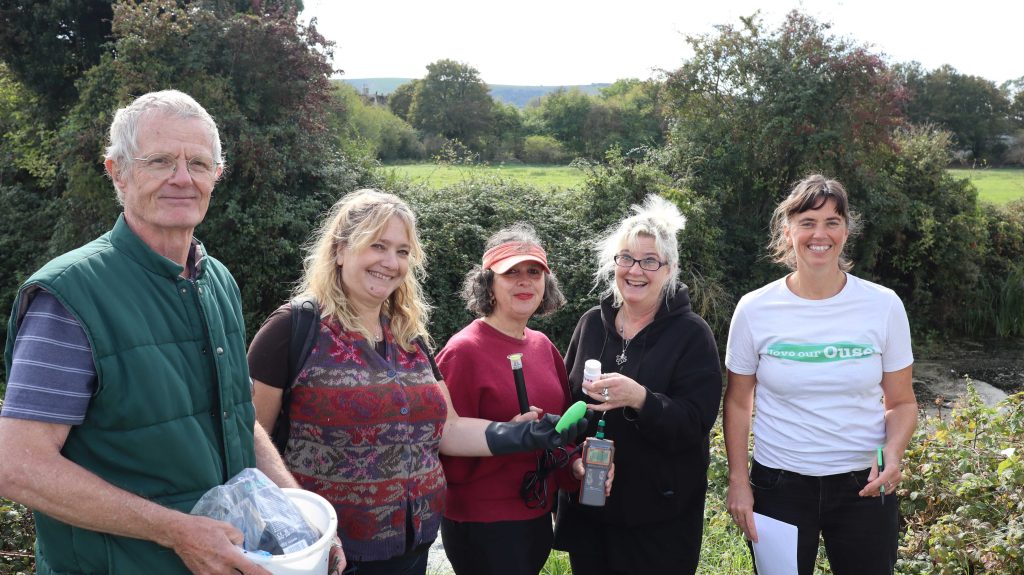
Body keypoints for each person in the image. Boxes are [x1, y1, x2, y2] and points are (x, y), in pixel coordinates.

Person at [0, 90, 324, 575]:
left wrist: (294, 509)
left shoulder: (216, 280)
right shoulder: (70, 297)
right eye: (160, 161)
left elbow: (237, 415)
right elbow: (18, 466)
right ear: (118, 172)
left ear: (217, 175)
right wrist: (175, 531)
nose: (182, 178)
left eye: (198, 163)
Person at [247, 190, 585, 575]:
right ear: (340, 250)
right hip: (330, 551)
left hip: (412, 546)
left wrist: (520, 434)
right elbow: (248, 438)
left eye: (403, 251)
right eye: (378, 245)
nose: (390, 263)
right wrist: (300, 529)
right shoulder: (293, 328)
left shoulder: (409, 336)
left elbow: (449, 427)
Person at [723, 174, 917, 575]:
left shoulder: (883, 306)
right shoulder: (754, 309)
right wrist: (739, 481)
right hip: (779, 486)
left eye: (832, 222)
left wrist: (893, 453)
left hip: (864, 484)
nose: (820, 234)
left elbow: (901, 403)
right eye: (808, 222)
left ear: (846, 230)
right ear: (788, 229)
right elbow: (738, 402)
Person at [552, 195, 723, 574]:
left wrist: (642, 399)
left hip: (659, 520)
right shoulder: (590, 325)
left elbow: (695, 423)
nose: (635, 270)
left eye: (649, 261)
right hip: (592, 509)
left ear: (669, 269)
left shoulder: (692, 335)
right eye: (626, 258)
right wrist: (576, 460)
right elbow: (569, 405)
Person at [437, 224, 577, 575]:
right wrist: (505, 435)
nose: (524, 281)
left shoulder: (543, 347)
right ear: (489, 284)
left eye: (534, 272)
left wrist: (575, 466)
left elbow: (560, 432)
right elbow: (439, 441)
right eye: (511, 273)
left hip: (534, 515)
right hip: (483, 523)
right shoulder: (463, 351)